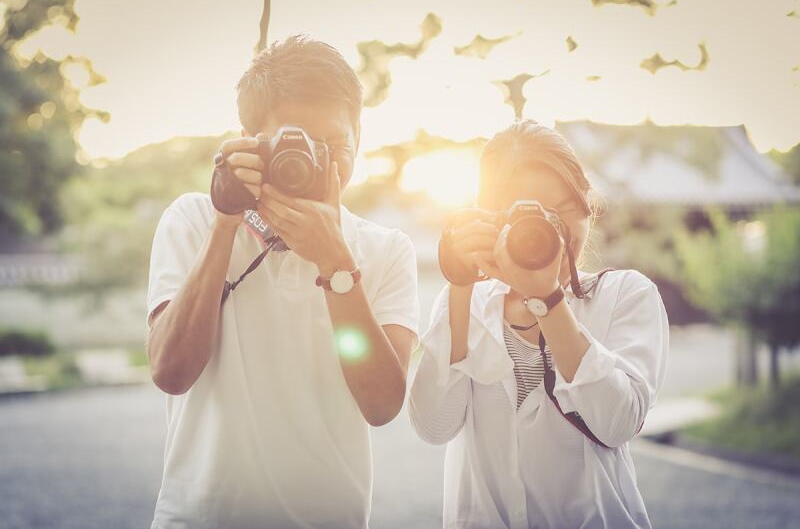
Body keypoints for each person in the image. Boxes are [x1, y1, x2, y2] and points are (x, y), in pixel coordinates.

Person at [145, 35, 419, 528]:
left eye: (334, 145)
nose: (314, 160)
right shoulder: (193, 220)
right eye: (295, 141)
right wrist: (225, 223)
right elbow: (171, 372)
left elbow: (381, 405)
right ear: (249, 141)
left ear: (359, 137)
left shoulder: (385, 249)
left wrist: (336, 265)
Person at [409, 120, 669, 528]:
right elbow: (433, 426)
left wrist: (548, 300)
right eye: (524, 215)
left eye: (561, 210)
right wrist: (460, 283)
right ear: (489, 219)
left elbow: (618, 423)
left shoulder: (625, 295)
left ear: (587, 203)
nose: (548, 230)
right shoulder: (466, 301)